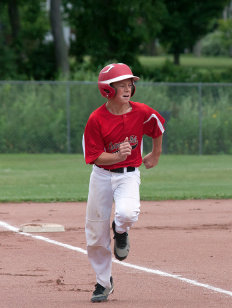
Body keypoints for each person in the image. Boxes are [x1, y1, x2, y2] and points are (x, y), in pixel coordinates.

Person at [83, 63, 165, 302]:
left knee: (128, 214)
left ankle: (120, 232)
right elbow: (95, 156)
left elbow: (157, 127)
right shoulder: (96, 119)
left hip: (128, 175)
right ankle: (103, 283)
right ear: (108, 90)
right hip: (101, 175)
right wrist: (117, 156)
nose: (128, 88)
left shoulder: (141, 112)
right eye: (121, 85)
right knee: (96, 233)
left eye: (129, 84)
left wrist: (155, 154)